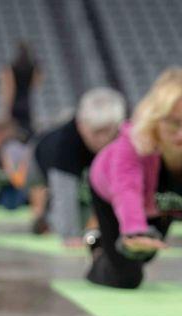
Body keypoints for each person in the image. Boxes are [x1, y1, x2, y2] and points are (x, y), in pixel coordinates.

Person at [87, 68, 182, 302]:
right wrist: (135, 231)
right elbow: (127, 190)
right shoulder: (132, 141)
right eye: (173, 124)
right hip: (109, 191)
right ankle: (97, 250)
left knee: (147, 254)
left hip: (159, 203)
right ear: (156, 118)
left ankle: (113, 246)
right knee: (126, 277)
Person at [28, 88, 125, 244]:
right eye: (96, 132)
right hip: (39, 161)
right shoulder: (63, 145)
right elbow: (64, 197)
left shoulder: (121, 139)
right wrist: (70, 236)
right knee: (53, 210)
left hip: (81, 167)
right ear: (81, 125)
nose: (103, 139)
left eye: (108, 131)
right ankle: (42, 221)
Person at [0, 41, 42, 136]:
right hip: (27, 104)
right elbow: (36, 84)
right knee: (28, 133)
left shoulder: (11, 68)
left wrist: (6, 111)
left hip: (15, 105)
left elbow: (9, 90)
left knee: (13, 134)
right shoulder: (32, 68)